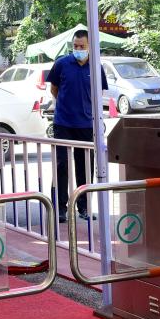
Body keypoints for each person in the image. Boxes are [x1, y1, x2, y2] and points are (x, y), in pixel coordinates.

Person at [47, 29, 107, 223]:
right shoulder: (62, 64)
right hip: (63, 122)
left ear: (90, 46)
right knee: (61, 165)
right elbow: (54, 89)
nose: (78, 49)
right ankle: (60, 209)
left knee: (85, 166)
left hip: (86, 124)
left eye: (82, 46)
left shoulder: (96, 67)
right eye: (75, 46)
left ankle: (84, 207)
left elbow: (99, 94)